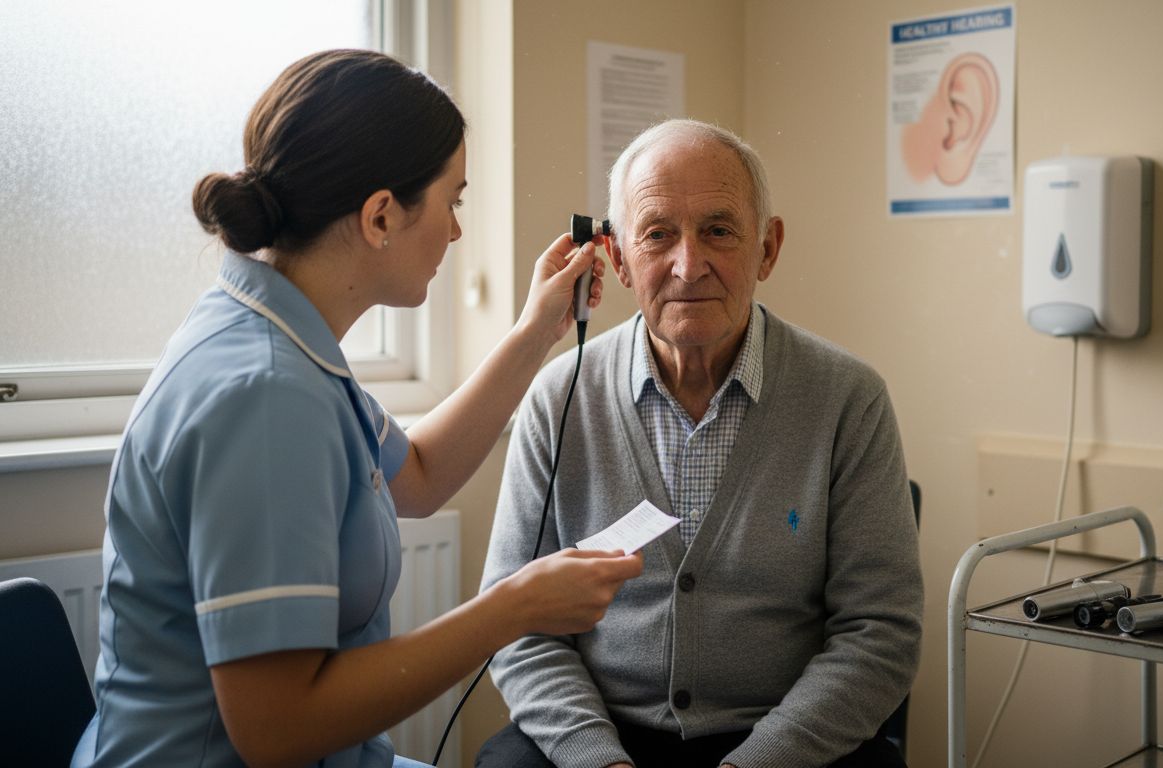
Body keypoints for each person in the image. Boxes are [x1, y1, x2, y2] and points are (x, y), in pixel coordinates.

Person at [72, 49, 643, 768]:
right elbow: (278, 731)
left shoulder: (278, 333)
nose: (457, 233)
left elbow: (423, 474)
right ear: (380, 216)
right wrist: (514, 609)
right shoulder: (267, 398)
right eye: (453, 202)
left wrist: (537, 331)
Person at [477, 119, 923, 768]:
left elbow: (879, 632)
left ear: (767, 248)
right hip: (602, 736)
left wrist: (757, 762)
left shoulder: (848, 400)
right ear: (620, 259)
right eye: (658, 234)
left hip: (785, 741)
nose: (689, 264)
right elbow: (517, 627)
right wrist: (598, 760)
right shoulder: (558, 398)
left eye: (718, 230)